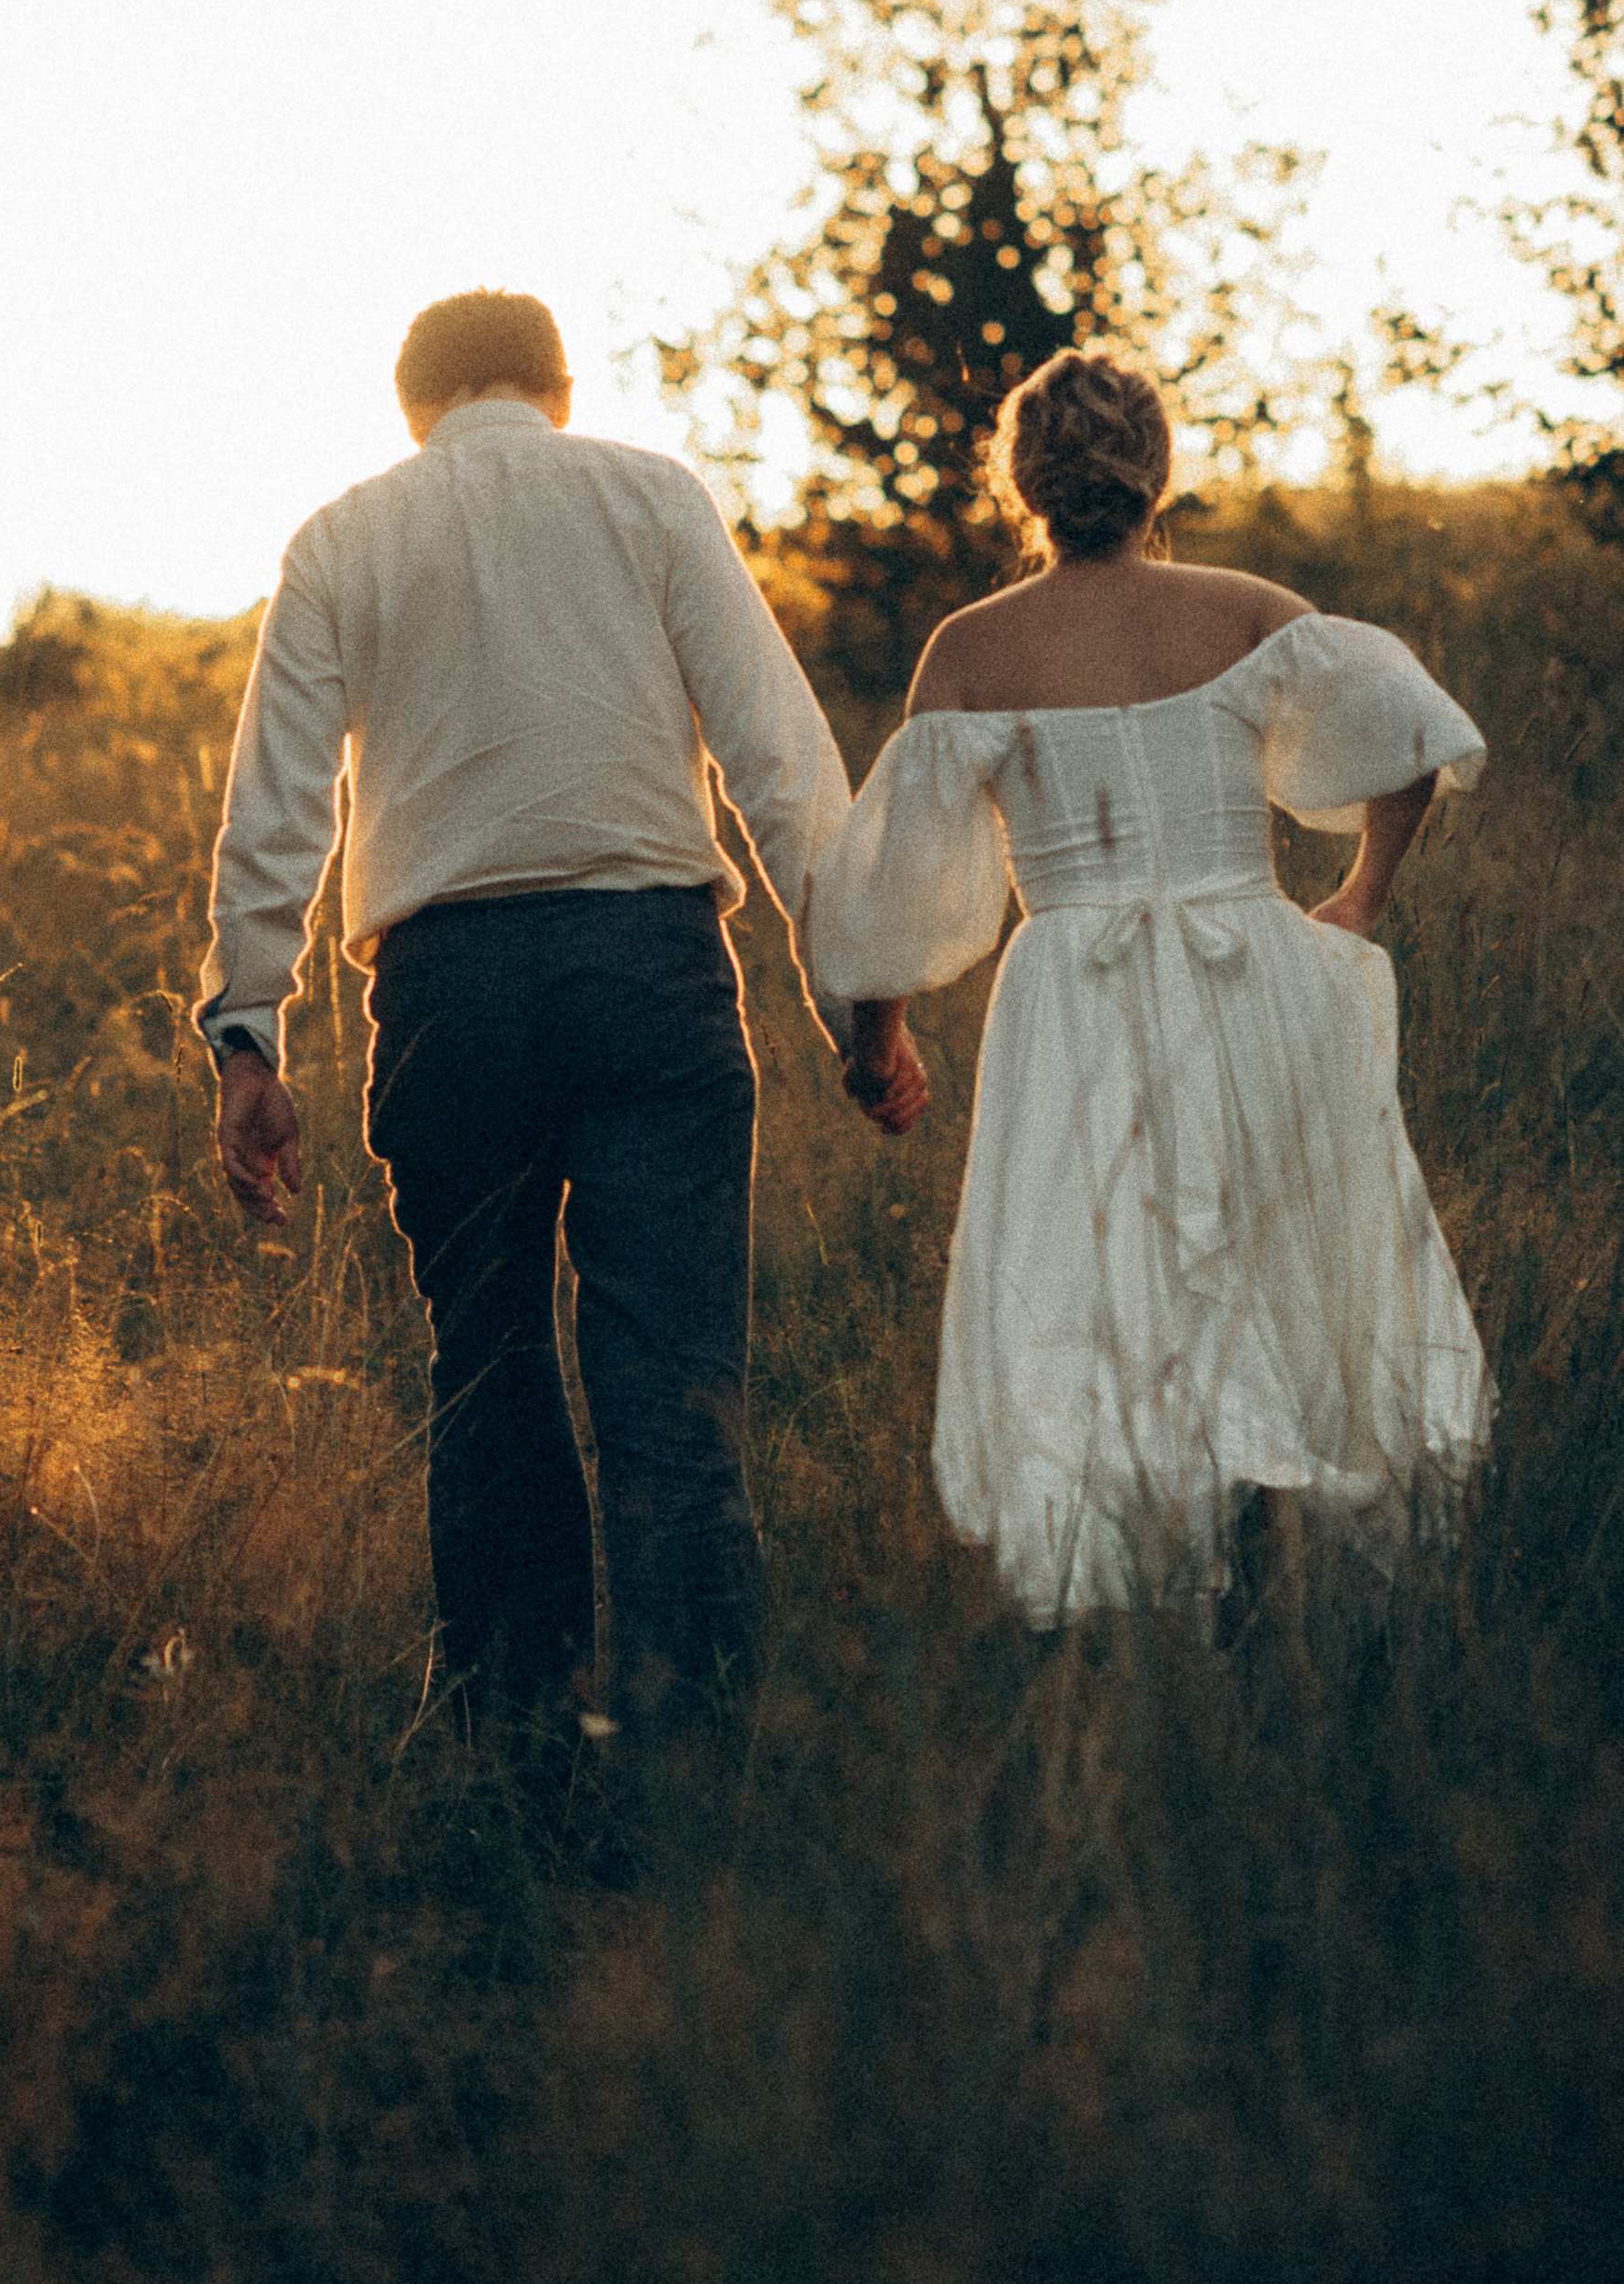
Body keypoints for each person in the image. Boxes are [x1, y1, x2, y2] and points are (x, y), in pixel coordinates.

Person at [197, 288, 925, 1775]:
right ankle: (690, 1763)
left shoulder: (341, 536)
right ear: (559, 389)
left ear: (411, 408)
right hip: (646, 971)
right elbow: (778, 756)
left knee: (486, 1370)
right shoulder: (651, 499)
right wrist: (855, 999)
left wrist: (248, 1034)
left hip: (446, 995)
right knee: (669, 1387)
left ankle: (513, 1746)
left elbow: (275, 801)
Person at [812, 346, 1490, 1624]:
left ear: (1023, 485)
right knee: (1258, 1251)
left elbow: (890, 884)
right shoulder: (1242, 610)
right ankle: (1257, 1582)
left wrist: (877, 1041)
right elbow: (1414, 735)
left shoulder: (970, 647)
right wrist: (1356, 898)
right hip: (1251, 971)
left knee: (1095, 1273)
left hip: (1071, 988)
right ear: (1153, 469)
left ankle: (1158, 1590)